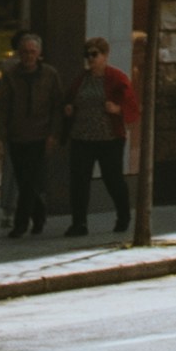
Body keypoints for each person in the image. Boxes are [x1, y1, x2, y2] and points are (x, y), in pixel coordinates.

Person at [61, 36, 134, 244]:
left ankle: (123, 215)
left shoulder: (116, 78)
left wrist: (117, 109)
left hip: (108, 139)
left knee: (113, 178)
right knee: (79, 181)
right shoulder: (81, 79)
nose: (90, 59)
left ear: (105, 55)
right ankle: (79, 223)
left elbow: (131, 104)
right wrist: (69, 109)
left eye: (94, 54)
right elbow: (71, 99)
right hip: (82, 138)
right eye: (87, 55)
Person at [0, 28, 63, 239]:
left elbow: (57, 106)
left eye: (32, 52)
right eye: (24, 52)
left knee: (31, 180)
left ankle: (20, 224)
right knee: (24, 181)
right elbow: (3, 108)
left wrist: (54, 134)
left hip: (40, 136)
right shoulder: (12, 75)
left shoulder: (50, 74)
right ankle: (40, 213)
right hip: (17, 136)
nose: (28, 56)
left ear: (39, 53)